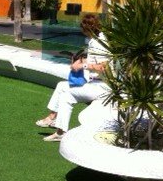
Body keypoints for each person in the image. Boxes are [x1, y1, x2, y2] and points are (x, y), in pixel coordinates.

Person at [36, 14, 109, 142]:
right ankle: (52, 118)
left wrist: (82, 65)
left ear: (87, 29)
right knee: (61, 85)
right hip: (95, 83)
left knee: (67, 95)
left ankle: (60, 131)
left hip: (101, 86)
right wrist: (79, 61)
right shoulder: (97, 40)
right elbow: (95, 60)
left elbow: (103, 67)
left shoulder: (99, 43)